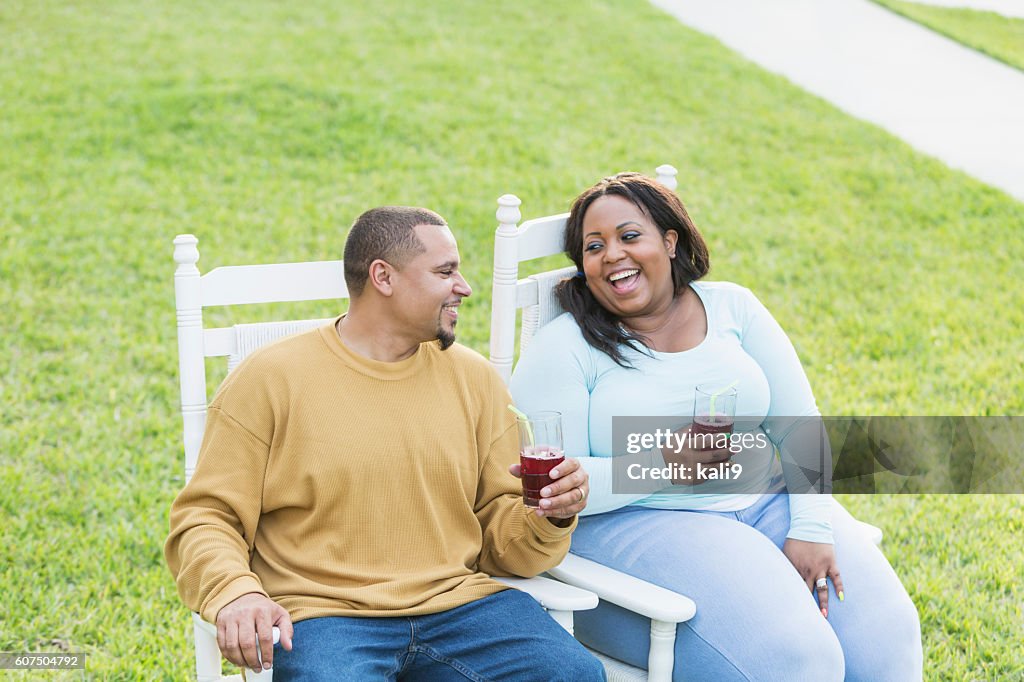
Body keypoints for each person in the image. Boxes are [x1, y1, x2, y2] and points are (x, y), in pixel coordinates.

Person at [509, 173, 922, 681]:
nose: (612, 254)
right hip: (640, 523)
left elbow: (799, 423)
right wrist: (661, 465)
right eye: (594, 247)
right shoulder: (565, 347)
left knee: (888, 642)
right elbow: (555, 493)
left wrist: (811, 525)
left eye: (629, 236)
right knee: (799, 660)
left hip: (767, 498)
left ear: (669, 240)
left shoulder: (733, 307)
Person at [165, 206, 604, 681]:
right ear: (383, 277)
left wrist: (552, 515)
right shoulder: (269, 379)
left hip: (460, 608)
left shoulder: (475, 379)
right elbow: (205, 517)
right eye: (445, 271)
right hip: (324, 618)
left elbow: (504, 543)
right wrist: (236, 590)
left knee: (573, 673)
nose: (464, 286)